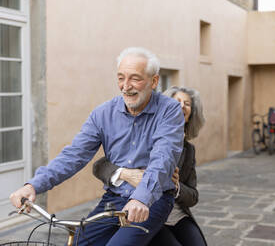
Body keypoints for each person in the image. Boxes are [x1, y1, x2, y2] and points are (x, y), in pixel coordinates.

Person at [9, 47, 185, 246]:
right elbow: (74, 155)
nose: (126, 86)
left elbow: (164, 158)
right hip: (114, 198)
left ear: (154, 81)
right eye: (120, 78)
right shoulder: (102, 114)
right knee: (79, 242)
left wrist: (141, 199)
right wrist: (33, 185)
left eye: (135, 78)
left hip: (153, 200)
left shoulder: (169, 111)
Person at [93, 86, 207, 246]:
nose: (181, 106)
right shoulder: (145, 135)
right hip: (148, 210)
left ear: (191, 114)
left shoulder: (188, 150)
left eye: (187, 103)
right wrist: (126, 174)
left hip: (177, 214)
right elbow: (100, 165)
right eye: (177, 101)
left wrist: (176, 186)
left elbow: (193, 197)